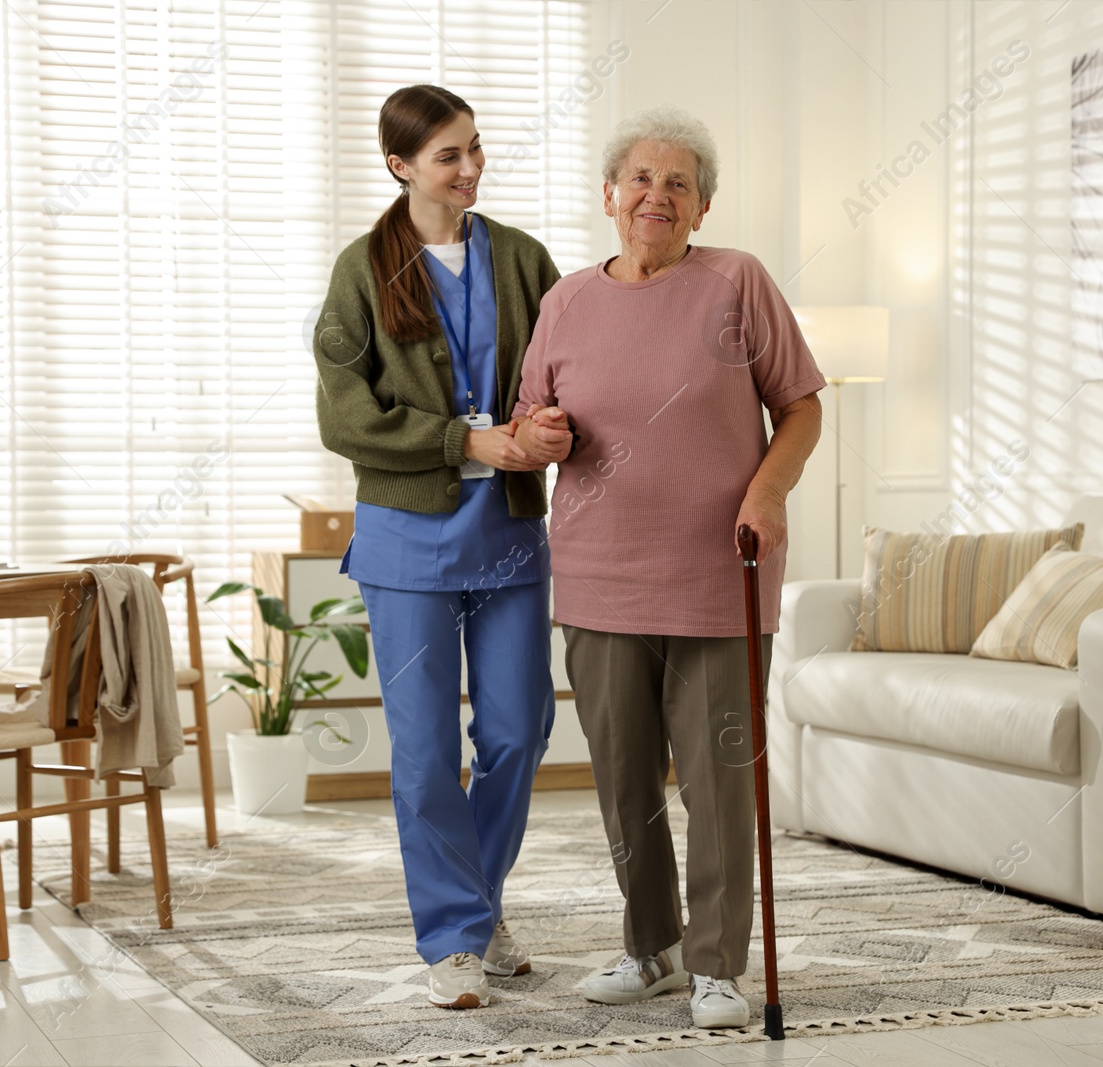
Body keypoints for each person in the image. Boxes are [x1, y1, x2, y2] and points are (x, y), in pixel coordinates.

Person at [512, 106, 825, 1029]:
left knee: (719, 779)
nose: (658, 195)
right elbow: (530, 420)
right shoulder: (566, 300)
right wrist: (538, 434)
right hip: (601, 576)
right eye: (641, 180)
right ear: (609, 195)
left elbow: (802, 407)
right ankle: (648, 948)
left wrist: (767, 493)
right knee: (623, 775)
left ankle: (717, 962)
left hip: (718, 573)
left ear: (704, 206)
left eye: (679, 184)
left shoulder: (738, 283)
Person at [311, 84, 567, 1010]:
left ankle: (478, 901)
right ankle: (456, 939)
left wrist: (547, 431)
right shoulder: (359, 272)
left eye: (474, 149)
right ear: (401, 166)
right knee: (424, 752)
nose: (470, 168)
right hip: (407, 542)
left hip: (507, 534)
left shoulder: (525, 259)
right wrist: (466, 439)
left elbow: (569, 374)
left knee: (517, 730)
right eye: (449, 155)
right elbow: (346, 415)